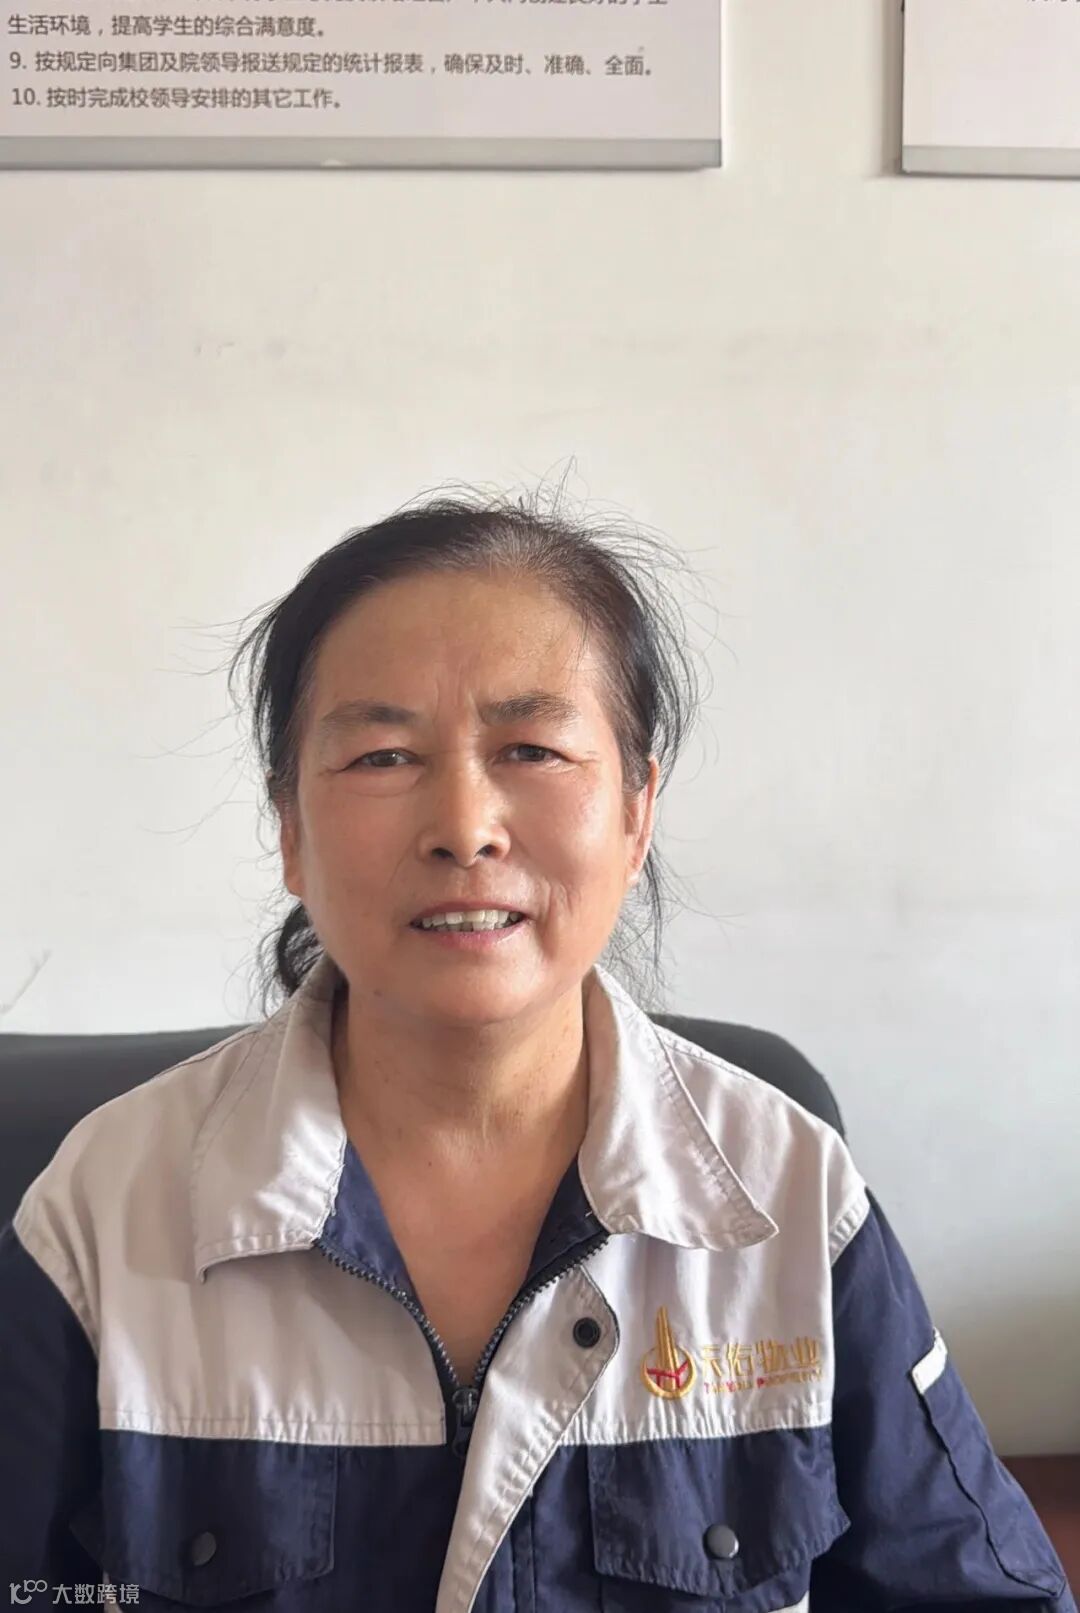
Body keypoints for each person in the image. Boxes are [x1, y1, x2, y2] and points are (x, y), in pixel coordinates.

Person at [0, 489, 1073, 1612]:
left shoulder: (787, 1197)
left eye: (531, 748)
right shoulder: (107, 1210)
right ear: (291, 829)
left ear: (637, 809)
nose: (465, 826)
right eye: (381, 754)